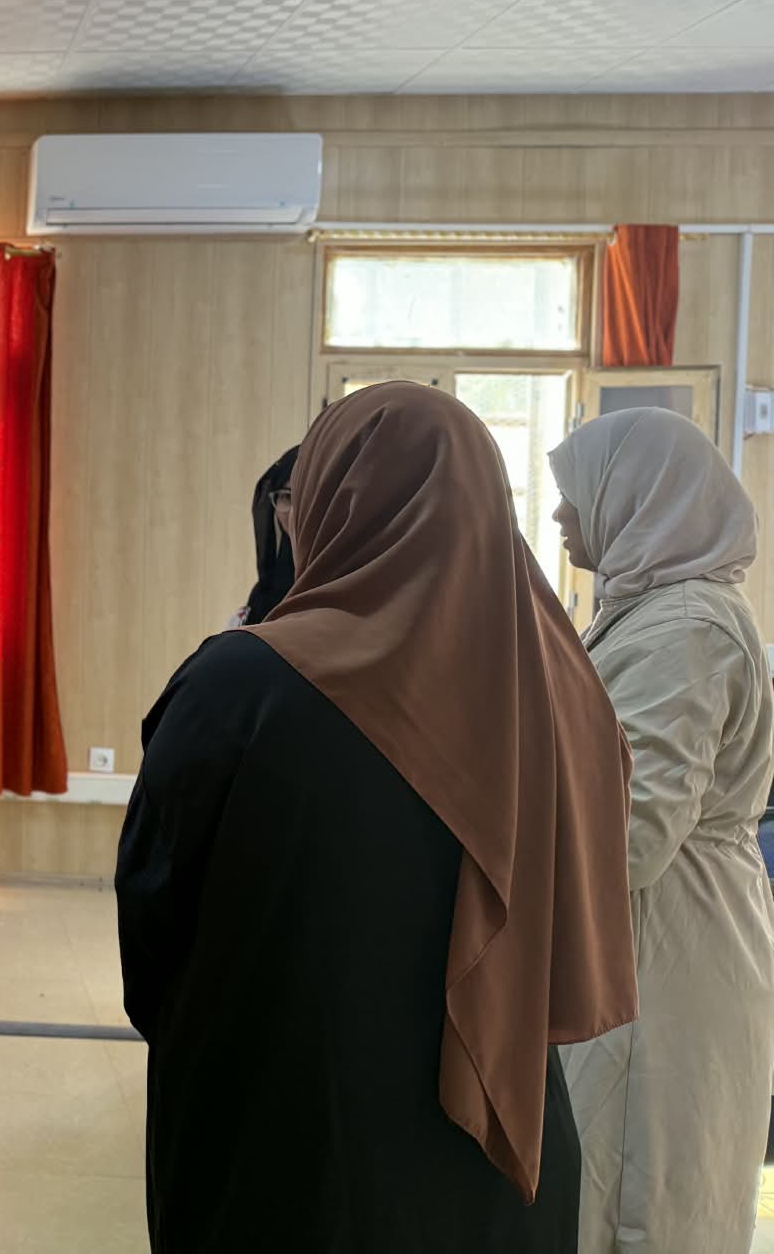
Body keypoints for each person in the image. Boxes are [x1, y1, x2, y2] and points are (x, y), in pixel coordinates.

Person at [116, 382, 637, 1254]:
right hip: (497, 1132)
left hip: (286, 1138)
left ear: (334, 499)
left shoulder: (241, 685)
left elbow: (153, 905)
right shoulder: (562, 687)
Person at [549, 408, 774, 1254]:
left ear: (636, 498)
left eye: (577, 494)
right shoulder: (654, 612)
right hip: (662, 925)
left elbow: (634, 834)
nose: (561, 513)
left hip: (668, 936)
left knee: (643, 1189)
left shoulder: (684, 629)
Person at [231, 444, 297, 626]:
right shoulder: (265, 591)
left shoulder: (345, 583)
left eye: (304, 497)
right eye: (287, 497)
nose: (294, 513)